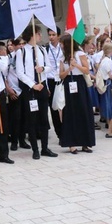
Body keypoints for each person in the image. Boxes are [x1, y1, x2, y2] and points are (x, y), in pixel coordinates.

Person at [15, 25, 58, 159]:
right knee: (32, 120)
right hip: (30, 90)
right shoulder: (21, 52)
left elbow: (50, 66)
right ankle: (35, 149)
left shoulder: (42, 50)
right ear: (33, 35)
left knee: (44, 119)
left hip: (42, 87)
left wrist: (43, 69)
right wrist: (33, 85)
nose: (40, 36)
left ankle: (45, 147)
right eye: (39, 34)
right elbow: (20, 73)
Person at [59, 35, 95, 153]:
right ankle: (71, 143)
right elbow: (61, 75)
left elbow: (86, 70)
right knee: (70, 112)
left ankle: (85, 142)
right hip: (69, 82)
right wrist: (68, 69)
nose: (61, 45)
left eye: (62, 43)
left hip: (79, 82)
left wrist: (76, 65)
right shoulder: (62, 56)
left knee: (83, 110)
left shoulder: (80, 54)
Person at [44, 28, 64, 138]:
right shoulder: (45, 49)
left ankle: (67, 130)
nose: (51, 37)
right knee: (54, 108)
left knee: (64, 107)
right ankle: (59, 133)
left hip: (62, 79)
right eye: (50, 35)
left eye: (54, 34)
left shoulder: (63, 47)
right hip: (51, 80)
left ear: (59, 36)